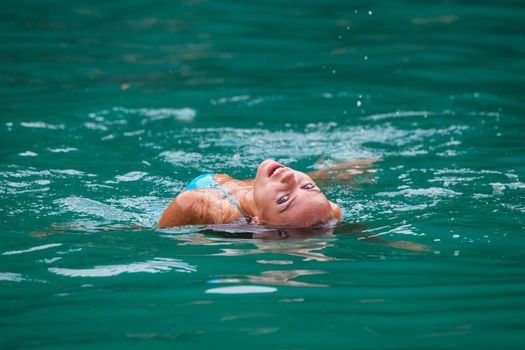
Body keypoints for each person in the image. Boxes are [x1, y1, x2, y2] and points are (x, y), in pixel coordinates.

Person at [157, 158, 376, 228]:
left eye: (284, 200)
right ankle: (328, 173)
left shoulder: (197, 202)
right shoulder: (329, 211)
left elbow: (155, 233)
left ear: (256, 221)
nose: (290, 177)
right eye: (308, 187)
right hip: (259, 190)